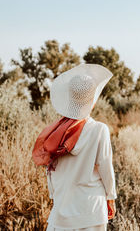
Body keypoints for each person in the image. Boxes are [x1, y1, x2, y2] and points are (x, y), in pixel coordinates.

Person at [32, 63, 117, 231]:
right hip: (91, 211)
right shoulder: (99, 130)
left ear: (69, 98)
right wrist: (111, 198)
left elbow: (50, 174)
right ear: (92, 100)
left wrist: (56, 198)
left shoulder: (55, 134)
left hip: (61, 214)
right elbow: (105, 168)